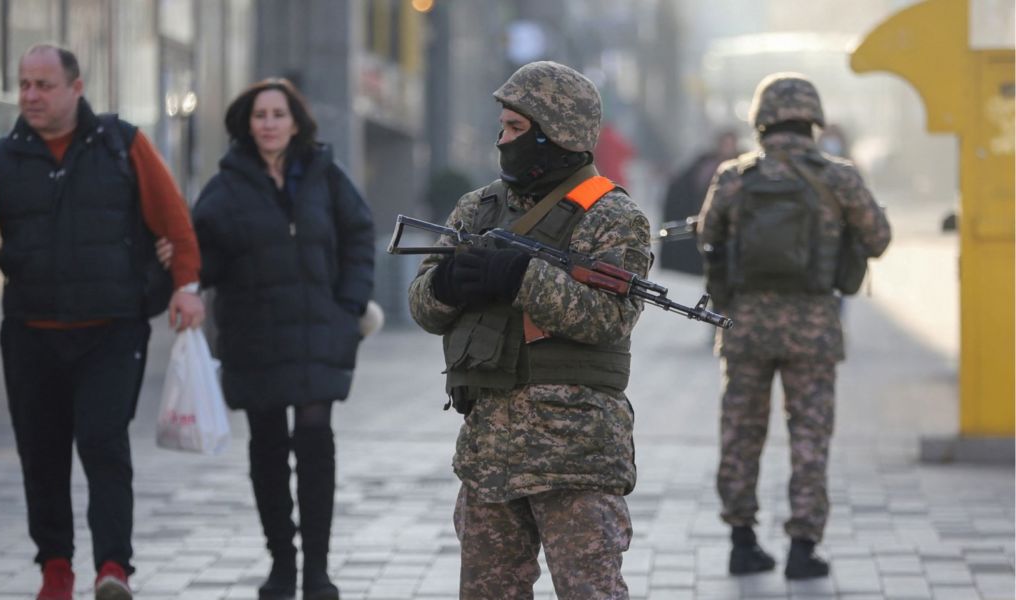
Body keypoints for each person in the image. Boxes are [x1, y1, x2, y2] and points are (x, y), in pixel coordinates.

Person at [0, 44, 205, 600]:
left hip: (112, 330)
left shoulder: (122, 144)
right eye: (24, 85)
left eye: (44, 84)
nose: (31, 96)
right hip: (31, 333)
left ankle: (113, 568)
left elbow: (174, 221)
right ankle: (55, 570)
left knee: (103, 444)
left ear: (75, 87)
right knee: (41, 454)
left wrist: (186, 287)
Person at [407, 61, 651, 598]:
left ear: (556, 134)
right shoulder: (478, 208)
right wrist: (448, 284)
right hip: (489, 453)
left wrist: (520, 275)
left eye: (517, 129)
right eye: (503, 126)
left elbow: (611, 316)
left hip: (577, 455)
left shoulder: (611, 215)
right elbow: (423, 308)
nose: (502, 140)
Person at [696, 72, 891, 579]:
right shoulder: (838, 176)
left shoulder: (735, 176)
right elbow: (879, 238)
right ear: (813, 119)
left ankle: (742, 542)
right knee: (809, 435)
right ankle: (803, 550)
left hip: (746, 326)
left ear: (761, 120)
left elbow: (706, 237)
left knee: (740, 433)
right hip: (814, 328)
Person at [190, 78, 374, 600]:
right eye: (259, 115)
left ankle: (317, 568)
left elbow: (360, 234)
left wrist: (350, 306)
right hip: (254, 336)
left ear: (296, 121)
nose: (268, 122)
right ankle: (282, 564)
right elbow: (202, 255)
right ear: (246, 125)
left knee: (316, 445)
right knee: (267, 449)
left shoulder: (325, 174)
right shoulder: (225, 187)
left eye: (278, 113)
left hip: (320, 331)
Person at [658, 129, 739, 275]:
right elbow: (682, 187)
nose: (726, 147)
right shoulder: (705, 163)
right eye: (724, 143)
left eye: (730, 144)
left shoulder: (740, 168)